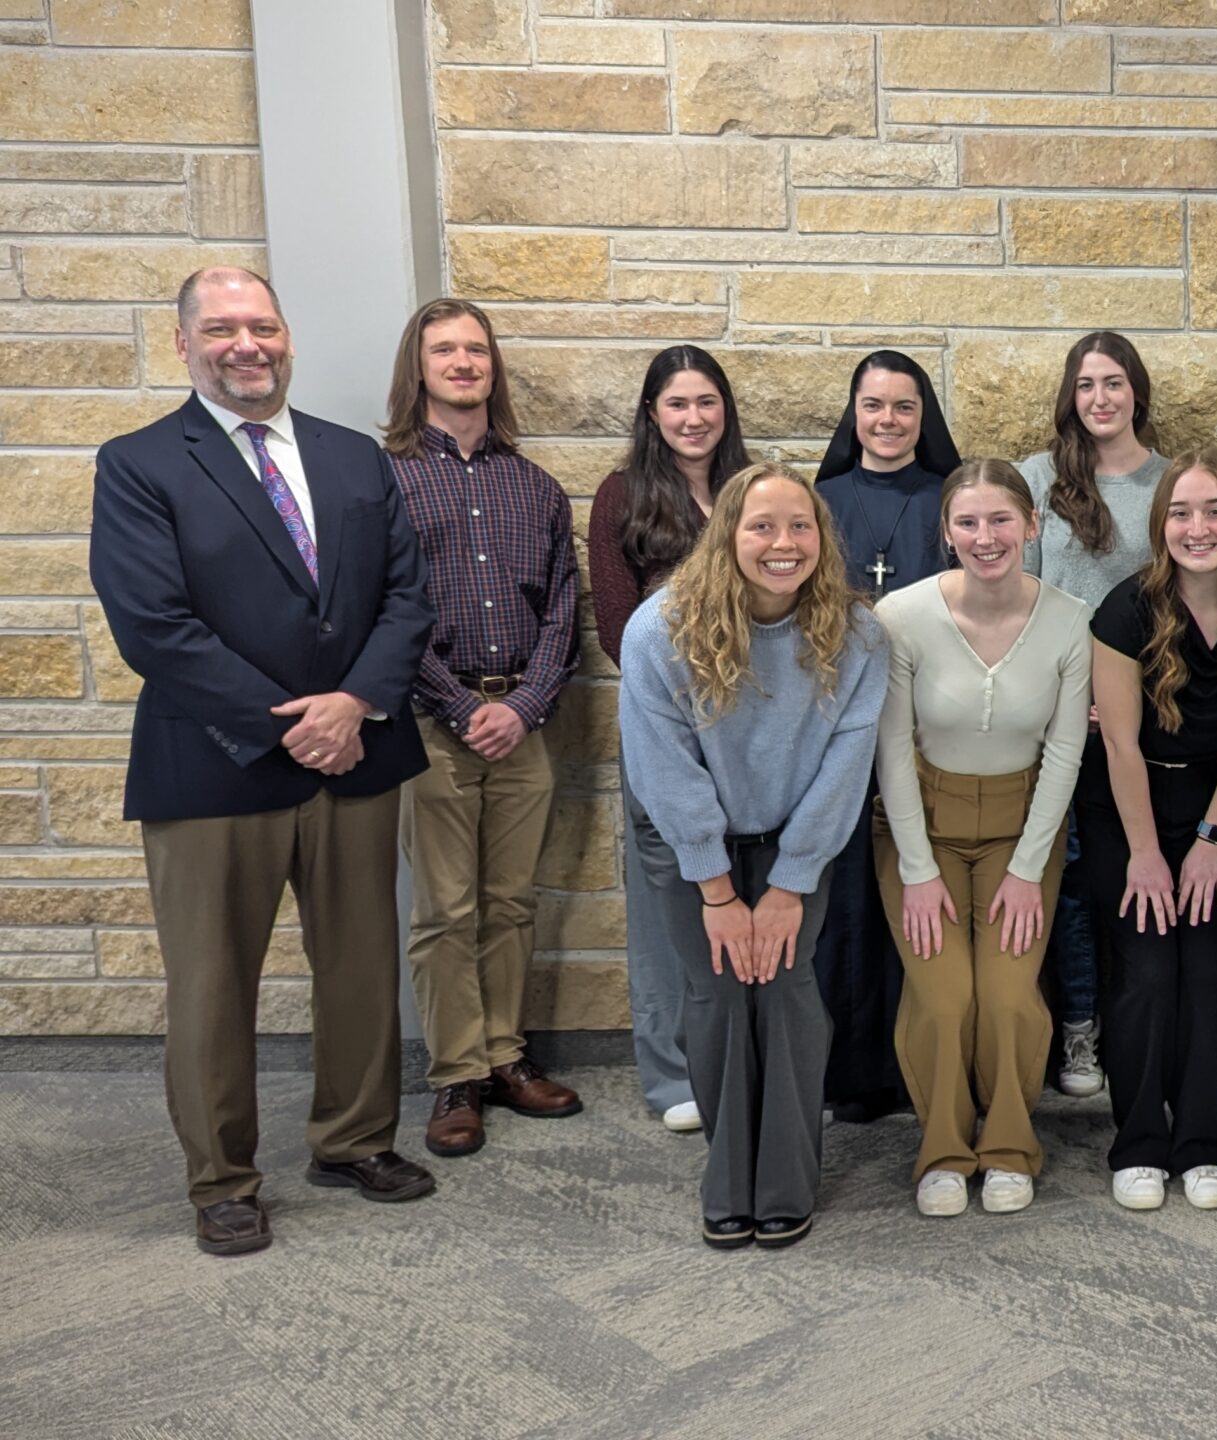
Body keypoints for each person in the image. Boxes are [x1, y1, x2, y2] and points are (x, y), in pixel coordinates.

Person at [90, 266, 437, 1255]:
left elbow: (406, 597)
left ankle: (355, 1138)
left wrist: (358, 702)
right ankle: (223, 1180)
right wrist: (291, 721)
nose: (248, 345)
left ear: (287, 336)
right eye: (224, 329)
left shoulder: (355, 460)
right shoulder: (141, 464)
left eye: (264, 326)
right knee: (211, 985)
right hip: (212, 767)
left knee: (362, 969)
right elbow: (153, 626)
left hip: (357, 758)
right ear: (185, 345)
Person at [618, 462, 888, 1250]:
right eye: (761, 526)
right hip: (684, 840)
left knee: (787, 990)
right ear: (726, 533)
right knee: (719, 993)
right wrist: (716, 890)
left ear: (821, 537)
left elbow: (847, 765)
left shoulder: (859, 632)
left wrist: (789, 884)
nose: (782, 543)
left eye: (800, 526)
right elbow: (663, 772)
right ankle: (728, 1179)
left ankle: (784, 1183)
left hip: (797, 836)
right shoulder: (659, 628)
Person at [382, 298, 583, 1158]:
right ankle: (454, 1073)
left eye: (476, 350)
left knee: (508, 903)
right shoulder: (381, 476)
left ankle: (506, 1055)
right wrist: (464, 708)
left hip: (523, 725)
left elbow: (564, 612)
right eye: (445, 350)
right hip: (430, 722)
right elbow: (376, 610)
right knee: (444, 908)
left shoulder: (533, 486)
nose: (464, 363)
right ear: (418, 366)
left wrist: (524, 706)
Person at [873, 460, 1091, 1217]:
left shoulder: (1069, 620)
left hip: (1019, 833)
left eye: (1001, 519)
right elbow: (893, 748)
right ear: (946, 533)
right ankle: (942, 1149)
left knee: (1005, 998)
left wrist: (1030, 869)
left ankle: (1006, 1147)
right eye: (967, 522)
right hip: (918, 829)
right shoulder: (900, 616)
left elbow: (1065, 753)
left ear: (1032, 525)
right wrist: (919, 867)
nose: (985, 537)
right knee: (941, 998)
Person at [1084, 450, 1217, 1213]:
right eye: (1180, 513)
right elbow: (1121, 745)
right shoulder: (1124, 610)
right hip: (1128, 809)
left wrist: (1211, 840)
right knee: (1145, 976)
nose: (1196, 529)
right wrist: (1145, 854)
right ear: (1159, 522)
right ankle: (1138, 1141)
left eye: (1213, 512)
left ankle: (1203, 1142)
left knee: (1207, 973)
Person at [589, 345, 751, 1133]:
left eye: (707, 402)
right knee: (664, 904)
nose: (694, 418)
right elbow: (620, 631)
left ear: (727, 410)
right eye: (678, 404)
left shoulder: (751, 491)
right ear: (653, 413)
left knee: (744, 890)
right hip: (663, 725)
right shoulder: (621, 495)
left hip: (756, 726)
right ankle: (671, 1074)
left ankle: (747, 1058)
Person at [1020, 331, 1169, 1101]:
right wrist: (1068, 695)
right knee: (1076, 878)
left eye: (1113, 383)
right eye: (1086, 385)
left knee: (1139, 870)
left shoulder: (1173, 484)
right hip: (1062, 716)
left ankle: (1142, 1026)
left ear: (1137, 391)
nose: (1101, 399)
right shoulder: (1040, 482)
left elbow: (1185, 599)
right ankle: (1080, 1027)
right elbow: (1023, 599)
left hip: (1156, 714)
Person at [812, 349, 960, 1124]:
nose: (889, 421)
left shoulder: (948, 498)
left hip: (931, 726)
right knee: (851, 907)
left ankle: (923, 1068)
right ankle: (855, 1073)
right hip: (840, 723)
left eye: (905, 407)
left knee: (920, 891)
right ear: (854, 413)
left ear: (923, 417)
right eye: (874, 406)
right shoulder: (822, 497)